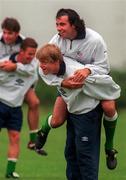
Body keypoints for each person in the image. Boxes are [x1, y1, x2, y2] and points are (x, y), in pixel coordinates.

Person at [35, 8, 119, 170]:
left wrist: (87, 70)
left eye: (62, 24)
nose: (58, 28)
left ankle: (110, 148)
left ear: (74, 24)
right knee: (57, 121)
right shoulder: (56, 40)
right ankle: (43, 131)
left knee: (109, 107)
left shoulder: (95, 39)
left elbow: (103, 66)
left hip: (96, 82)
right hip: (69, 86)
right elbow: (43, 65)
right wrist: (62, 83)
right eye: (57, 24)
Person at [0, 38, 39, 178]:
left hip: (16, 108)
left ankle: (10, 172)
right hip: (1, 104)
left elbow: (31, 71)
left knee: (15, 138)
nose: (31, 57)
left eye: (34, 54)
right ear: (21, 52)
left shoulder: (32, 67)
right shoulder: (4, 63)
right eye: (29, 54)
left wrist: (15, 67)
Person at [0, 17, 41, 152]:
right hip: (3, 79)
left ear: (17, 33)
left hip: (21, 79)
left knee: (34, 102)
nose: (6, 36)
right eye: (4, 32)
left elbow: (32, 68)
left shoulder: (25, 44)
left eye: (9, 33)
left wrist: (15, 66)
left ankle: (33, 141)